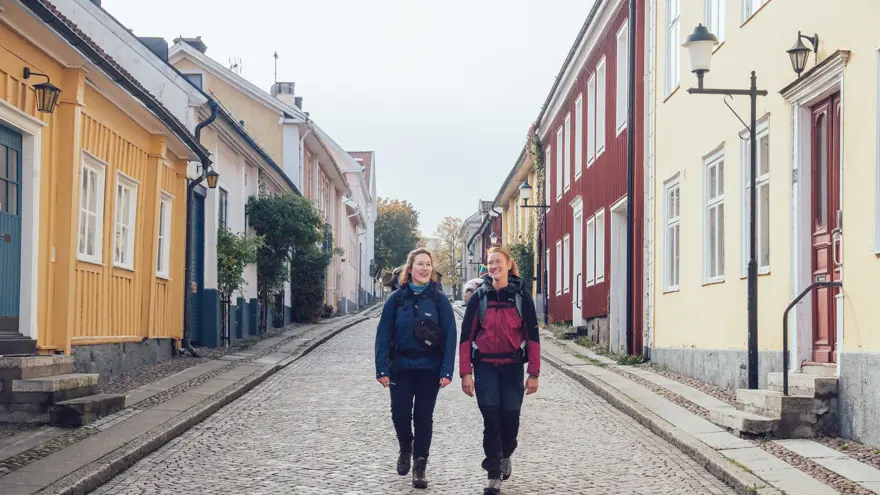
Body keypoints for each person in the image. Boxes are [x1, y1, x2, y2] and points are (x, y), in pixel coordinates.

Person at [459, 247, 540, 495]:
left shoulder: (521, 296)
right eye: (490, 263)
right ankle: (494, 473)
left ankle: (506, 453)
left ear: (508, 264)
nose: (494, 266)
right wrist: (466, 372)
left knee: (511, 417)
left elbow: (533, 335)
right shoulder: (479, 298)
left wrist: (534, 373)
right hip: (484, 366)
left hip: (512, 366)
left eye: (498, 262)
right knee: (491, 419)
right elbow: (465, 337)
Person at [375, 248, 457, 489]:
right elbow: (382, 335)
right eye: (420, 264)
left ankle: (420, 466)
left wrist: (446, 370)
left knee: (423, 418)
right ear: (410, 269)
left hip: (429, 369)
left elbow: (451, 336)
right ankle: (405, 446)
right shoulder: (396, 299)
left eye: (428, 264)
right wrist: (382, 368)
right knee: (399, 414)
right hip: (400, 367)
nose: (424, 268)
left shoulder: (440, 300)